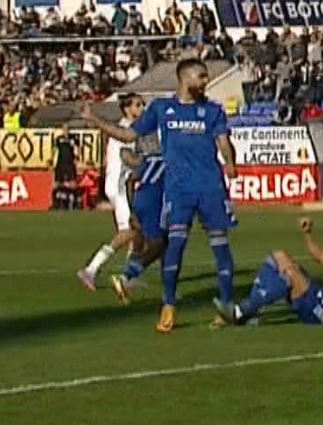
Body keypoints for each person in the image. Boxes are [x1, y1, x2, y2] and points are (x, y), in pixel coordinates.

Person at [82, 59, 238, 334]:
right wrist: (95, 120)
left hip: (211, 187)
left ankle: (226, 306)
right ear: (184, 77)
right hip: (178, 190)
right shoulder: (161, 109)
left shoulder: (212, 110)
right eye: (201, 76)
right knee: (173, 245)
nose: (205, 81)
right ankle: (168, 307)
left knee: (220, 247)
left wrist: (230, 163)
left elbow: (224, 141)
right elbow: (128, 135)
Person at [214, 217, 323, 326]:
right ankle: (249, 311)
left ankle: (240, 312)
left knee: (292, 274)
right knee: (279, 256)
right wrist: (308, 233)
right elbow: (321, 257)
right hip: (321, 299)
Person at [77, 93, 146, 290]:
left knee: (138, 230)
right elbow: (128, 159)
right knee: (128, 231)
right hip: (119, 185)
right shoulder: (127, 129)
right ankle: (91, 269)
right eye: (138, 105)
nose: (142, 109)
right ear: (127, 109)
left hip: (118, 183)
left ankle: (129, 275)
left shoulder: (124, 127)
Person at [109, 133, 167, 305]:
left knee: (142, 240)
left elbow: (129, 180)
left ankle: (129, 280)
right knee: (160, 244)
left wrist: (133, 209)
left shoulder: (147, 160)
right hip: (153, 202)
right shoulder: (171, 160)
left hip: (139, 200)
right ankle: (126, 277)